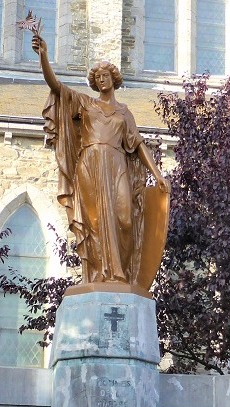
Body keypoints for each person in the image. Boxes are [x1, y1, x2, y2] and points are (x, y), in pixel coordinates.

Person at [32, 34, 169, 288]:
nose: (101, 79)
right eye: (97, 77)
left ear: (114, 79)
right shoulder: (86, 104)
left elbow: (137, 144)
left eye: (105, 75)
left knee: (125, 219)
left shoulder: (124, 112)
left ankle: (121, 274)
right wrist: (44, 57)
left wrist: (157, 175)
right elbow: (56, 86)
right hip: (90, 164)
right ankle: (100, 276)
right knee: (94, 221)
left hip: (117, 164)